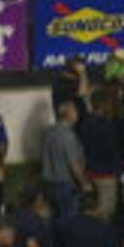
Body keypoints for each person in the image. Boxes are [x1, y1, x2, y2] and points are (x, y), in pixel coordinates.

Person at [40, 101, 89, 239]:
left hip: (49, 182)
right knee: (69, 219)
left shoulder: (48, 132)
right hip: (66, 184)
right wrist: (84, 182)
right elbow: (74, 164)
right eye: (75, 111)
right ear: (69, 115)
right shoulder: (68, 136)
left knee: (53, 219)